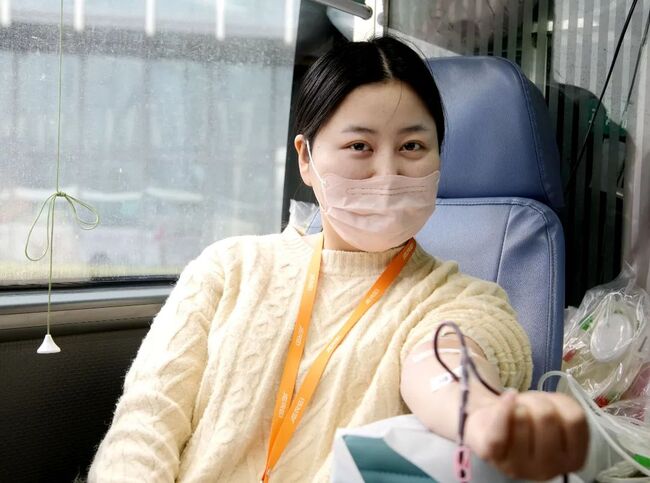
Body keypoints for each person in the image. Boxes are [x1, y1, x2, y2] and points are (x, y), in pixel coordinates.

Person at [87, 36, 589, 482]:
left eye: (413, 145)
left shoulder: (462, 300)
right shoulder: (226, 269)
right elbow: (146, 422)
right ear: (306, 158)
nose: (388, 173)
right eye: (359, 146)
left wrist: (482, 414)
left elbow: (448, 362)